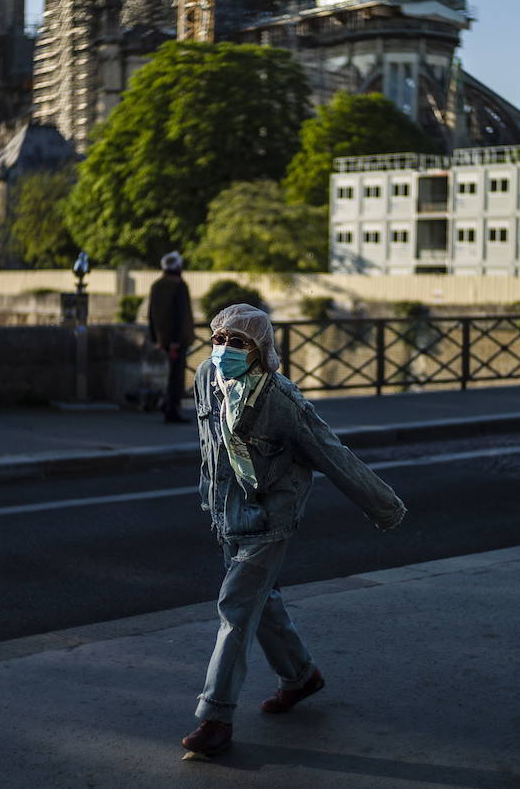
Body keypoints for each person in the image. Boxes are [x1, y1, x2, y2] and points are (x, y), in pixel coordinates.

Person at [181, 303, 406, 757]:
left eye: (237, 342)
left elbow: (333, 455)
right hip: (228, 515)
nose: (223, 349)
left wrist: (385, 509)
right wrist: (210, 500)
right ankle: (302, 677)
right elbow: (210, 447)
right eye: (218, 339)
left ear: (261, 350)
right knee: (263, 606)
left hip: (269, 520)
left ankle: (216, 716)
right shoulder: (206, 377)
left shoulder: (282, 401)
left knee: (236, 610)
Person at [147, 251, 195, 423]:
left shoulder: (157, 285)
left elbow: (151, 314)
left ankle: (168, 405)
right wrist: (175, 341)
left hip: (163, 338)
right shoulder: (179, 285)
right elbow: (179, 316)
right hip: (177, 340)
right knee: (176, 376)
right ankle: (172, 410)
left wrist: (155, 338)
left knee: (171, 374)